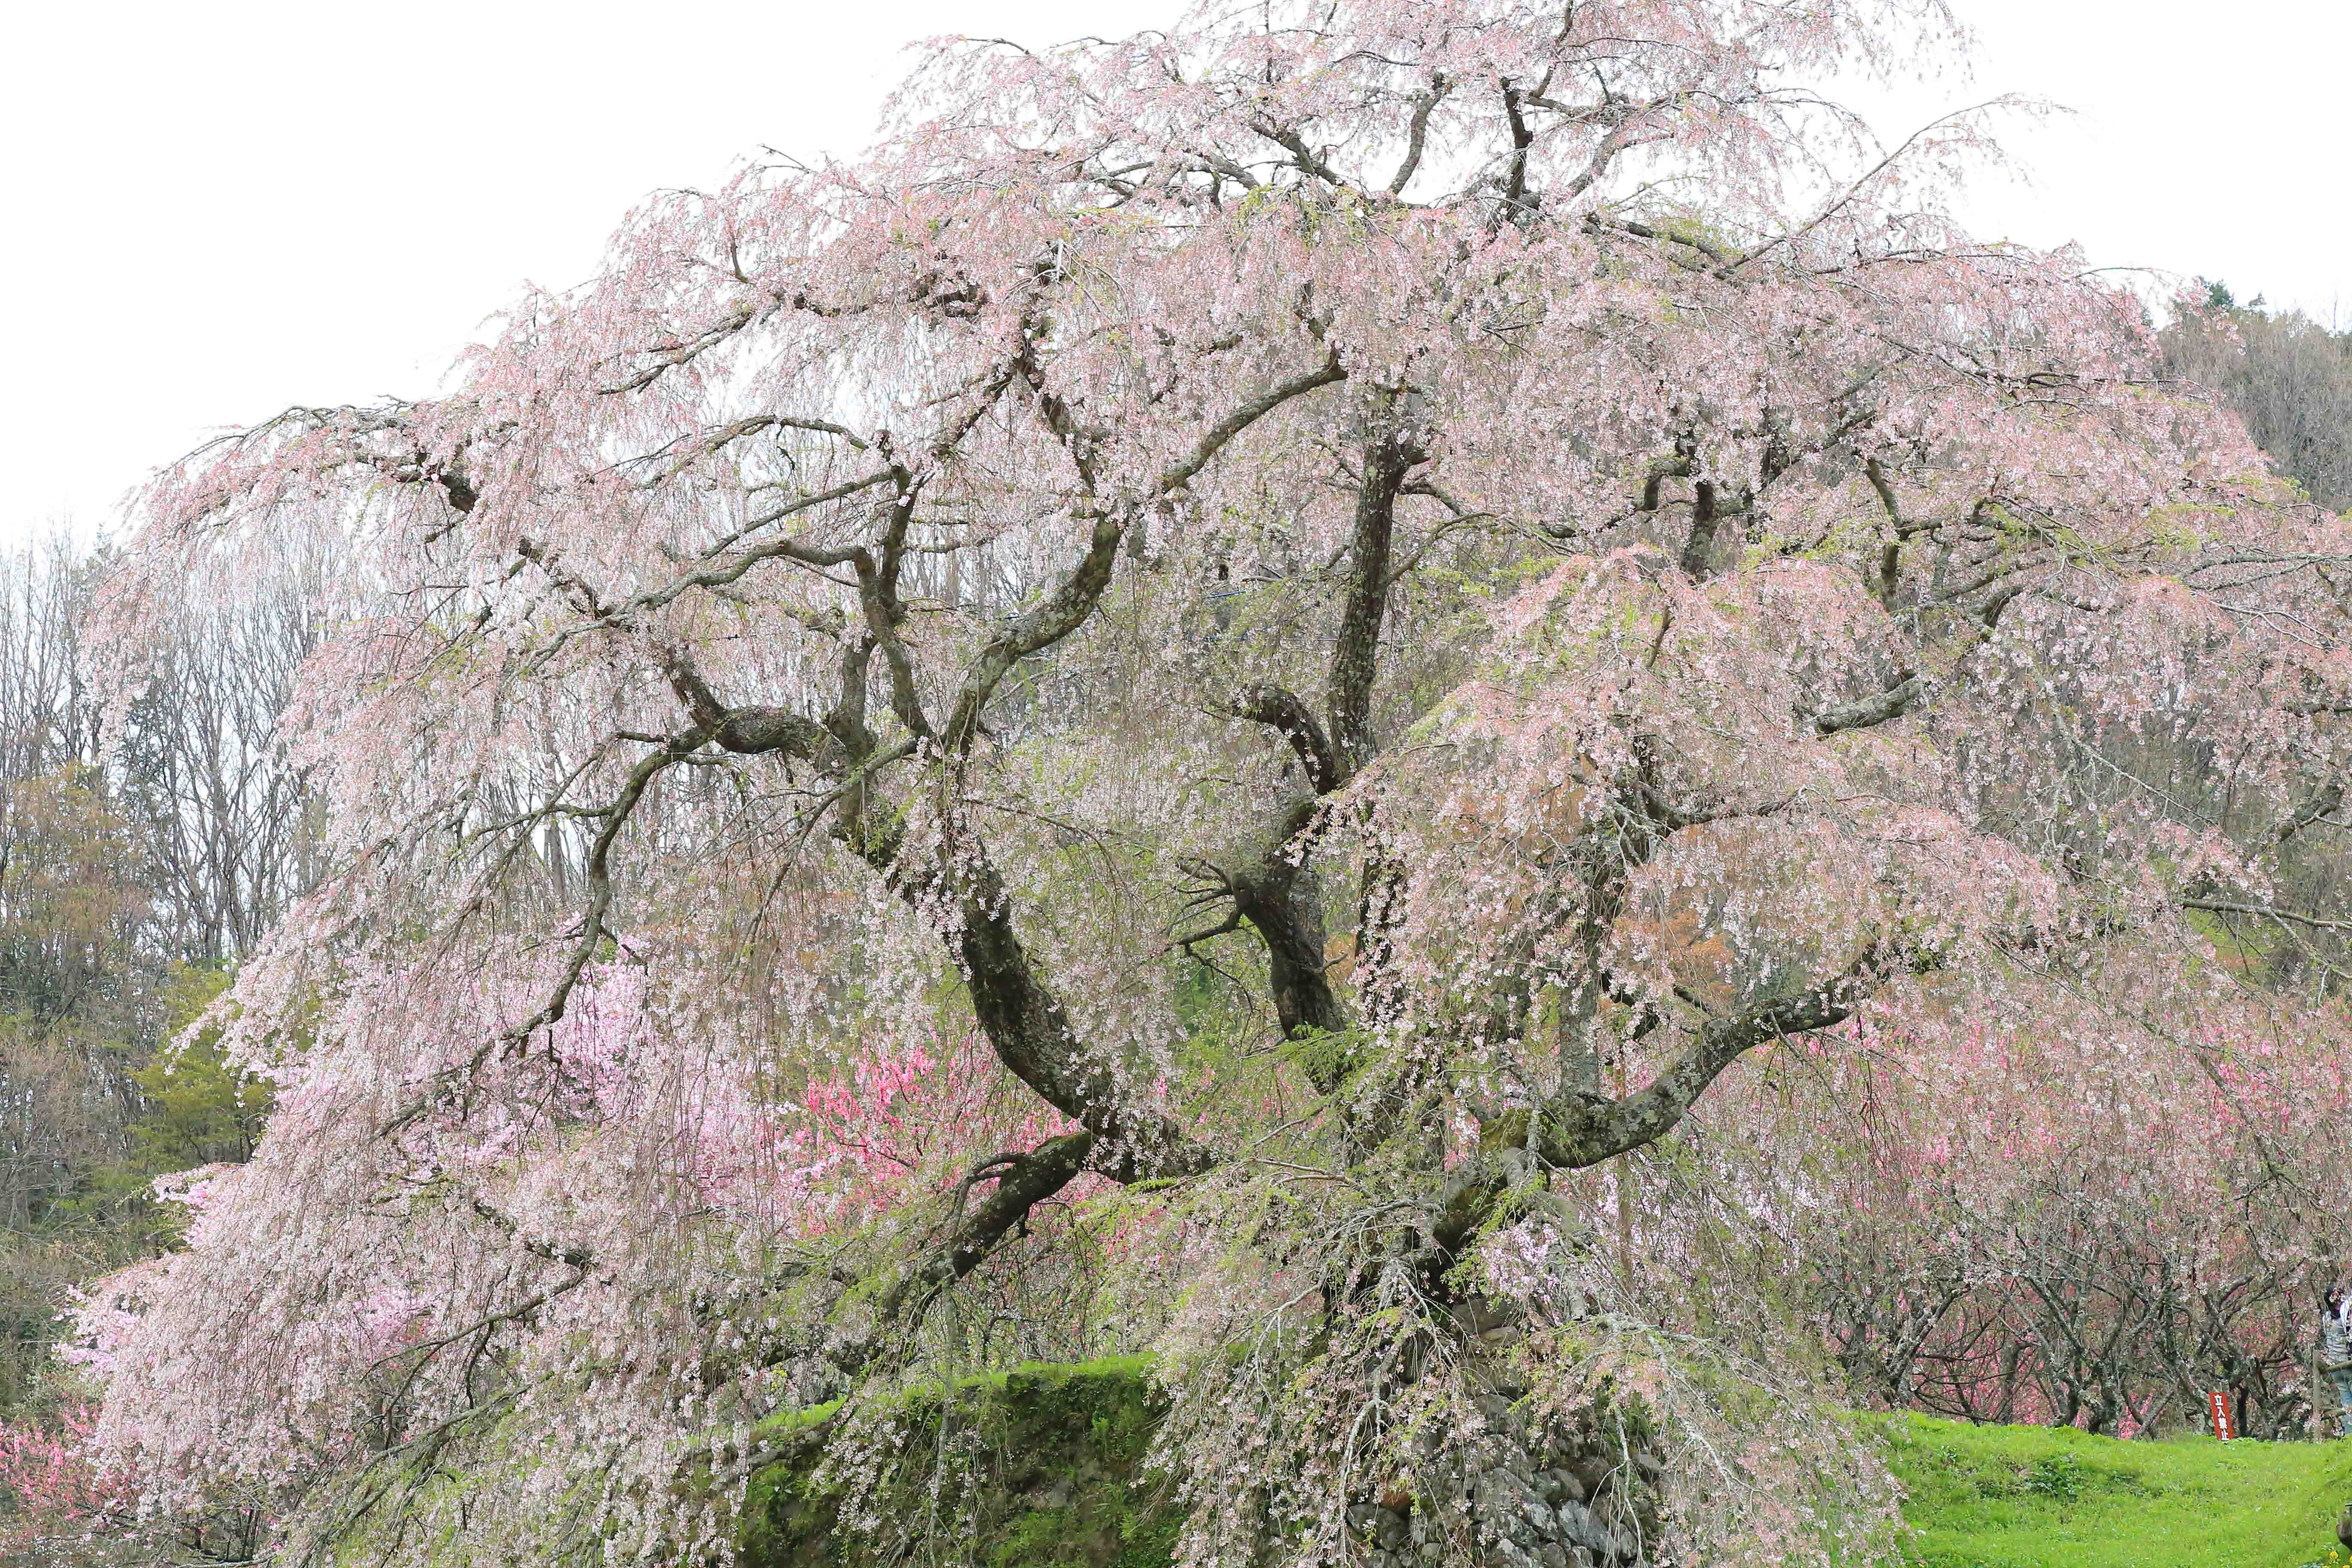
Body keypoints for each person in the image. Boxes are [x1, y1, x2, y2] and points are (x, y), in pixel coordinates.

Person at [2321, 1286, 2352, 1439]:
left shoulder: (2326, 1317)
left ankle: (2349, 1435)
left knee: (2346, 1400)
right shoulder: (2344, 1316)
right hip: (2346, 1362)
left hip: (2334, 1364)